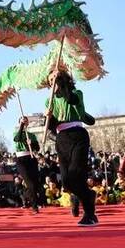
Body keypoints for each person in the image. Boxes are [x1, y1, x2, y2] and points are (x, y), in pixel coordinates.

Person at [45, 69, 97, 226]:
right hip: (62, 139)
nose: (53, 83)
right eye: (51, 81)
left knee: (76, 175)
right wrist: (48, 119)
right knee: (67, 181)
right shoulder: (49, 101)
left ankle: (90, 214)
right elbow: (52, 128)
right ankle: (86, 195)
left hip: (78, 135)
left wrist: (61, 82)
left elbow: (71, 100)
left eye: (56, 79)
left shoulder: (77, 93)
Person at [13, 116, 41, 214]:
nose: (25, 123)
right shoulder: (16, 133)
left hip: (31, 158)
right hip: (21, 159)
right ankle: (34, 206)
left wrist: (31, 144)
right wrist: (21, 125)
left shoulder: (31, 135)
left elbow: (37, 148)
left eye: (25, 121)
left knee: (35, 183)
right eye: (22, 121)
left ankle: (26, 195)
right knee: (30, 183)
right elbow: (17, 139)